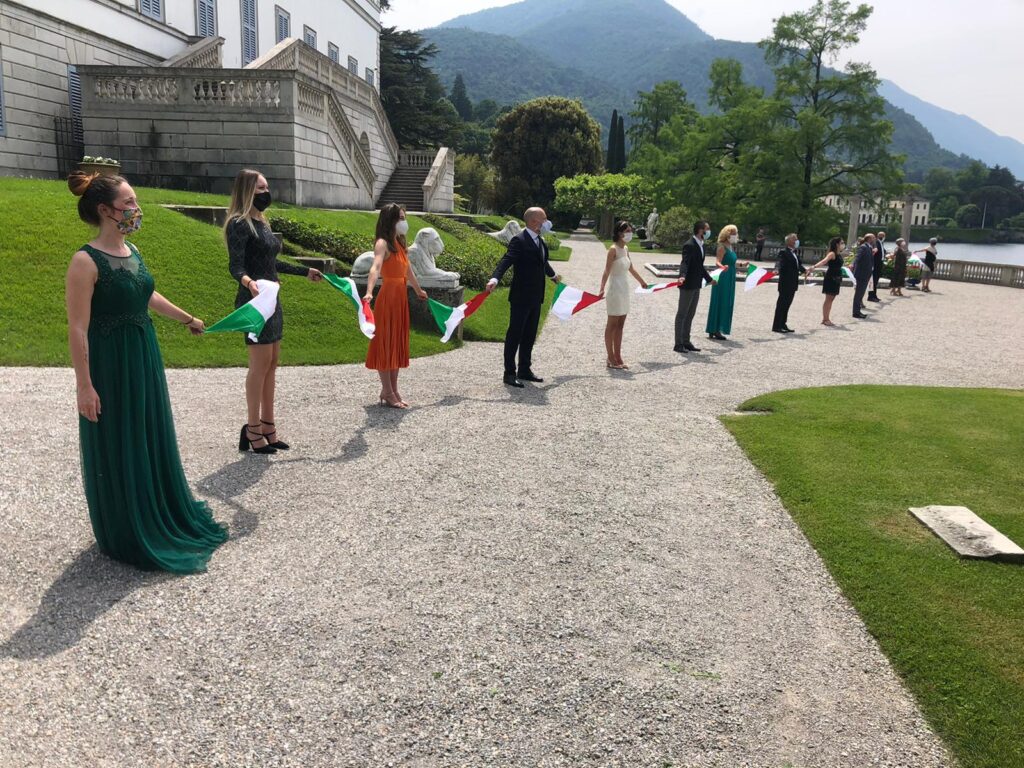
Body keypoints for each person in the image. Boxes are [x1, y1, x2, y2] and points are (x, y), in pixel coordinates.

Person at [65, 171, 227, 573]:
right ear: (105, 210)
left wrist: (187, 318)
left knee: (146, 431)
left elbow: (145, 293)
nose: (136, 209)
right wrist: (84, 386)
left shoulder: (131, 249)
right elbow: (77, 328)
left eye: (134, 202)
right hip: (110, 361)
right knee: (121, 436)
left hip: (142, 353)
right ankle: (127, 527)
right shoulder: (85, 261)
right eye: (129, 203)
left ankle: (156, 510)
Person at [227, 169, 322, 450]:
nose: (265, 192)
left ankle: (268, 425)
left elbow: (271, 262)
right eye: (260, 188)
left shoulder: (262, 223)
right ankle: (252, 428)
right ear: (247, 191)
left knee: (272, 363)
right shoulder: (239, 223)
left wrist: (304, 271)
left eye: (266, 187)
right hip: (255, 303)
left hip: (272, 299)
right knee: (259, 366)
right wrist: (249, 283)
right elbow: (236, 266)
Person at [486, 207, 562, 388]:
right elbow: (507, 259)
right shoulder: (519, 240)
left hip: (536, 296)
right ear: (534, 221)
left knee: (529, 334)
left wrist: (552, 276)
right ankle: (509, 373)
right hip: (521, 296)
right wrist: (495, 278)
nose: (547, 222)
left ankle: (524, 369)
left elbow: (542, 262)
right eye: (544, 219)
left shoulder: (539, 240)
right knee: (515, 334)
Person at [363, 203, 428, 407]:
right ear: (390, 220)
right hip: (388, 297)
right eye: (400, 218)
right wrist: (369, 291)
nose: (404, 222)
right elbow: (375, 267)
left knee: (396, 343)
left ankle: (393, 390)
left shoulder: (399, 243)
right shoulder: (382, 243)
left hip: (400, 297)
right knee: (386, 342)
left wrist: (418, 290)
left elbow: (407, 270)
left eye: (404, 218)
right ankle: (388, 390)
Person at [598, 221, 648, 369]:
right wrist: (601, 288)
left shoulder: (625, 248)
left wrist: (642, 281)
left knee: (621, 324)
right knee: (612, 324)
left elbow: (631, 268)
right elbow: (606, 271)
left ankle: (618, 356)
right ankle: (610, 357)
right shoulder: (613, 250)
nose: (630, 233)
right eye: (627, 231)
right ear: (620, 233)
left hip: (624, 289)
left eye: (630, 230)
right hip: (615, 289)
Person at [674, 220, 715, 353]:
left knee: (690, 314)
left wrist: (709, 279)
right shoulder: (689, 245)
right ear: (700, 230)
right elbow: (685, 262)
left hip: (696, 284)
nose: (708, 231)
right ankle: (678, 344)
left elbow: (699, 266)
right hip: (687, 284)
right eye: (707, 229)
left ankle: (686, 341)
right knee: (682, 314)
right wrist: (682, 275)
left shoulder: (701, 245)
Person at [706, 224, 748, 340]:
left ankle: (717, 328)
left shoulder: (730, 246)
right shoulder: (722, 246)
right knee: (720, 301)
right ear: (727, 234)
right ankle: (714, 329)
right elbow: (717, 262)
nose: (736, 236)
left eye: (736, 233)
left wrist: (741, 264)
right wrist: (722, 266)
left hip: (730, 276)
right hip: (723, 276)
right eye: (733, 233)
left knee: (726, 301)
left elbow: (732, 262)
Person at [771, 233, 806, 333]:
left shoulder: (794, 253)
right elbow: (779, 262)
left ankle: (783, 324)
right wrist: (776, 269)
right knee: (781, 304)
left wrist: (805, 271)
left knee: (787, 304)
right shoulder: (784, 252)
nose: (797, 241)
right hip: (785, 283)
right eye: (795, 239)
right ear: (789, 241)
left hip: (793, 283)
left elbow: (798, 265)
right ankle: (777, 326)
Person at [808, 236, 845, 326]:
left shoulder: (839, 254)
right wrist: (814, 267)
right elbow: (824, 261)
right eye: (842, 243)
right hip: (831, 277)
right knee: (828, 298)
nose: (843, 244)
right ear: (837, 244)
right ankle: (825, 319)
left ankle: (826, 318)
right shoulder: (832, 253)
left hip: (837, 277)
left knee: (832, 298)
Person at [851, 233, 875, 318]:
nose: (874, 239)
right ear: (869, 239)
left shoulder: (869, 247)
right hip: (861, 274)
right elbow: (857, 257)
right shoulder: (863, 247)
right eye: (873, 238)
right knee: (858, 294)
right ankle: (856, 312)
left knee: (861, 293)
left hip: (866, 273)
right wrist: (852, 265)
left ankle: (858, 311)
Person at [868, 230, 886, 302]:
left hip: (879, 264)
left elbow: (882, 252)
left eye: (883, 236)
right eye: (881, 235)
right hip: (875, 264)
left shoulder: (881, 243)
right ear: (878, 236)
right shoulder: (876, 243)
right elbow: (874, 252)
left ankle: (874, 295)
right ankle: (870, 296)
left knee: (876, 281)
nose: (882, 237)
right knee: (873, 280)